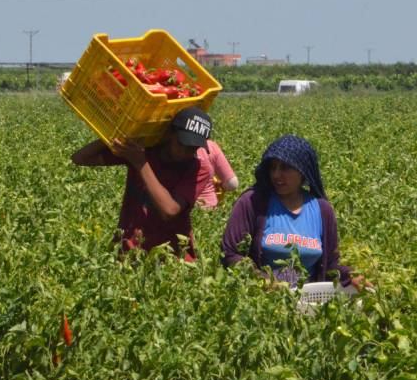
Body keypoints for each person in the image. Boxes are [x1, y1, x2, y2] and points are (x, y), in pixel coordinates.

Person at [221, 135, 367, 290]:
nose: (276, 174)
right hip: (260, 303)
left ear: (302, 170)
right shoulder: (253, 202)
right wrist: (262, 280)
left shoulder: (322, 210)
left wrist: (351, 275)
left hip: (309, 299)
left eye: (285, 167)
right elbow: (230, 254)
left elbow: (331, 265)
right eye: (273, 167)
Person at [70, 107, 214, 260]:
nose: (185, 152)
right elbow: (80, 158)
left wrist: (140, 162)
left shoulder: (198, 168)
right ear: (169, 134)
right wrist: (117, 134)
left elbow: (169, 210)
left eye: (193, 148)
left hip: (171, 260)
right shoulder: (145, 150)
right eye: (181, 144)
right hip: (128, 251)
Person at [195, 139, 238, 209]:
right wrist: (220, 185)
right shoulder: (209, 146)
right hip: (209, 208)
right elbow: (232, 184)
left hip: (181, 208)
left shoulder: (174, 146)